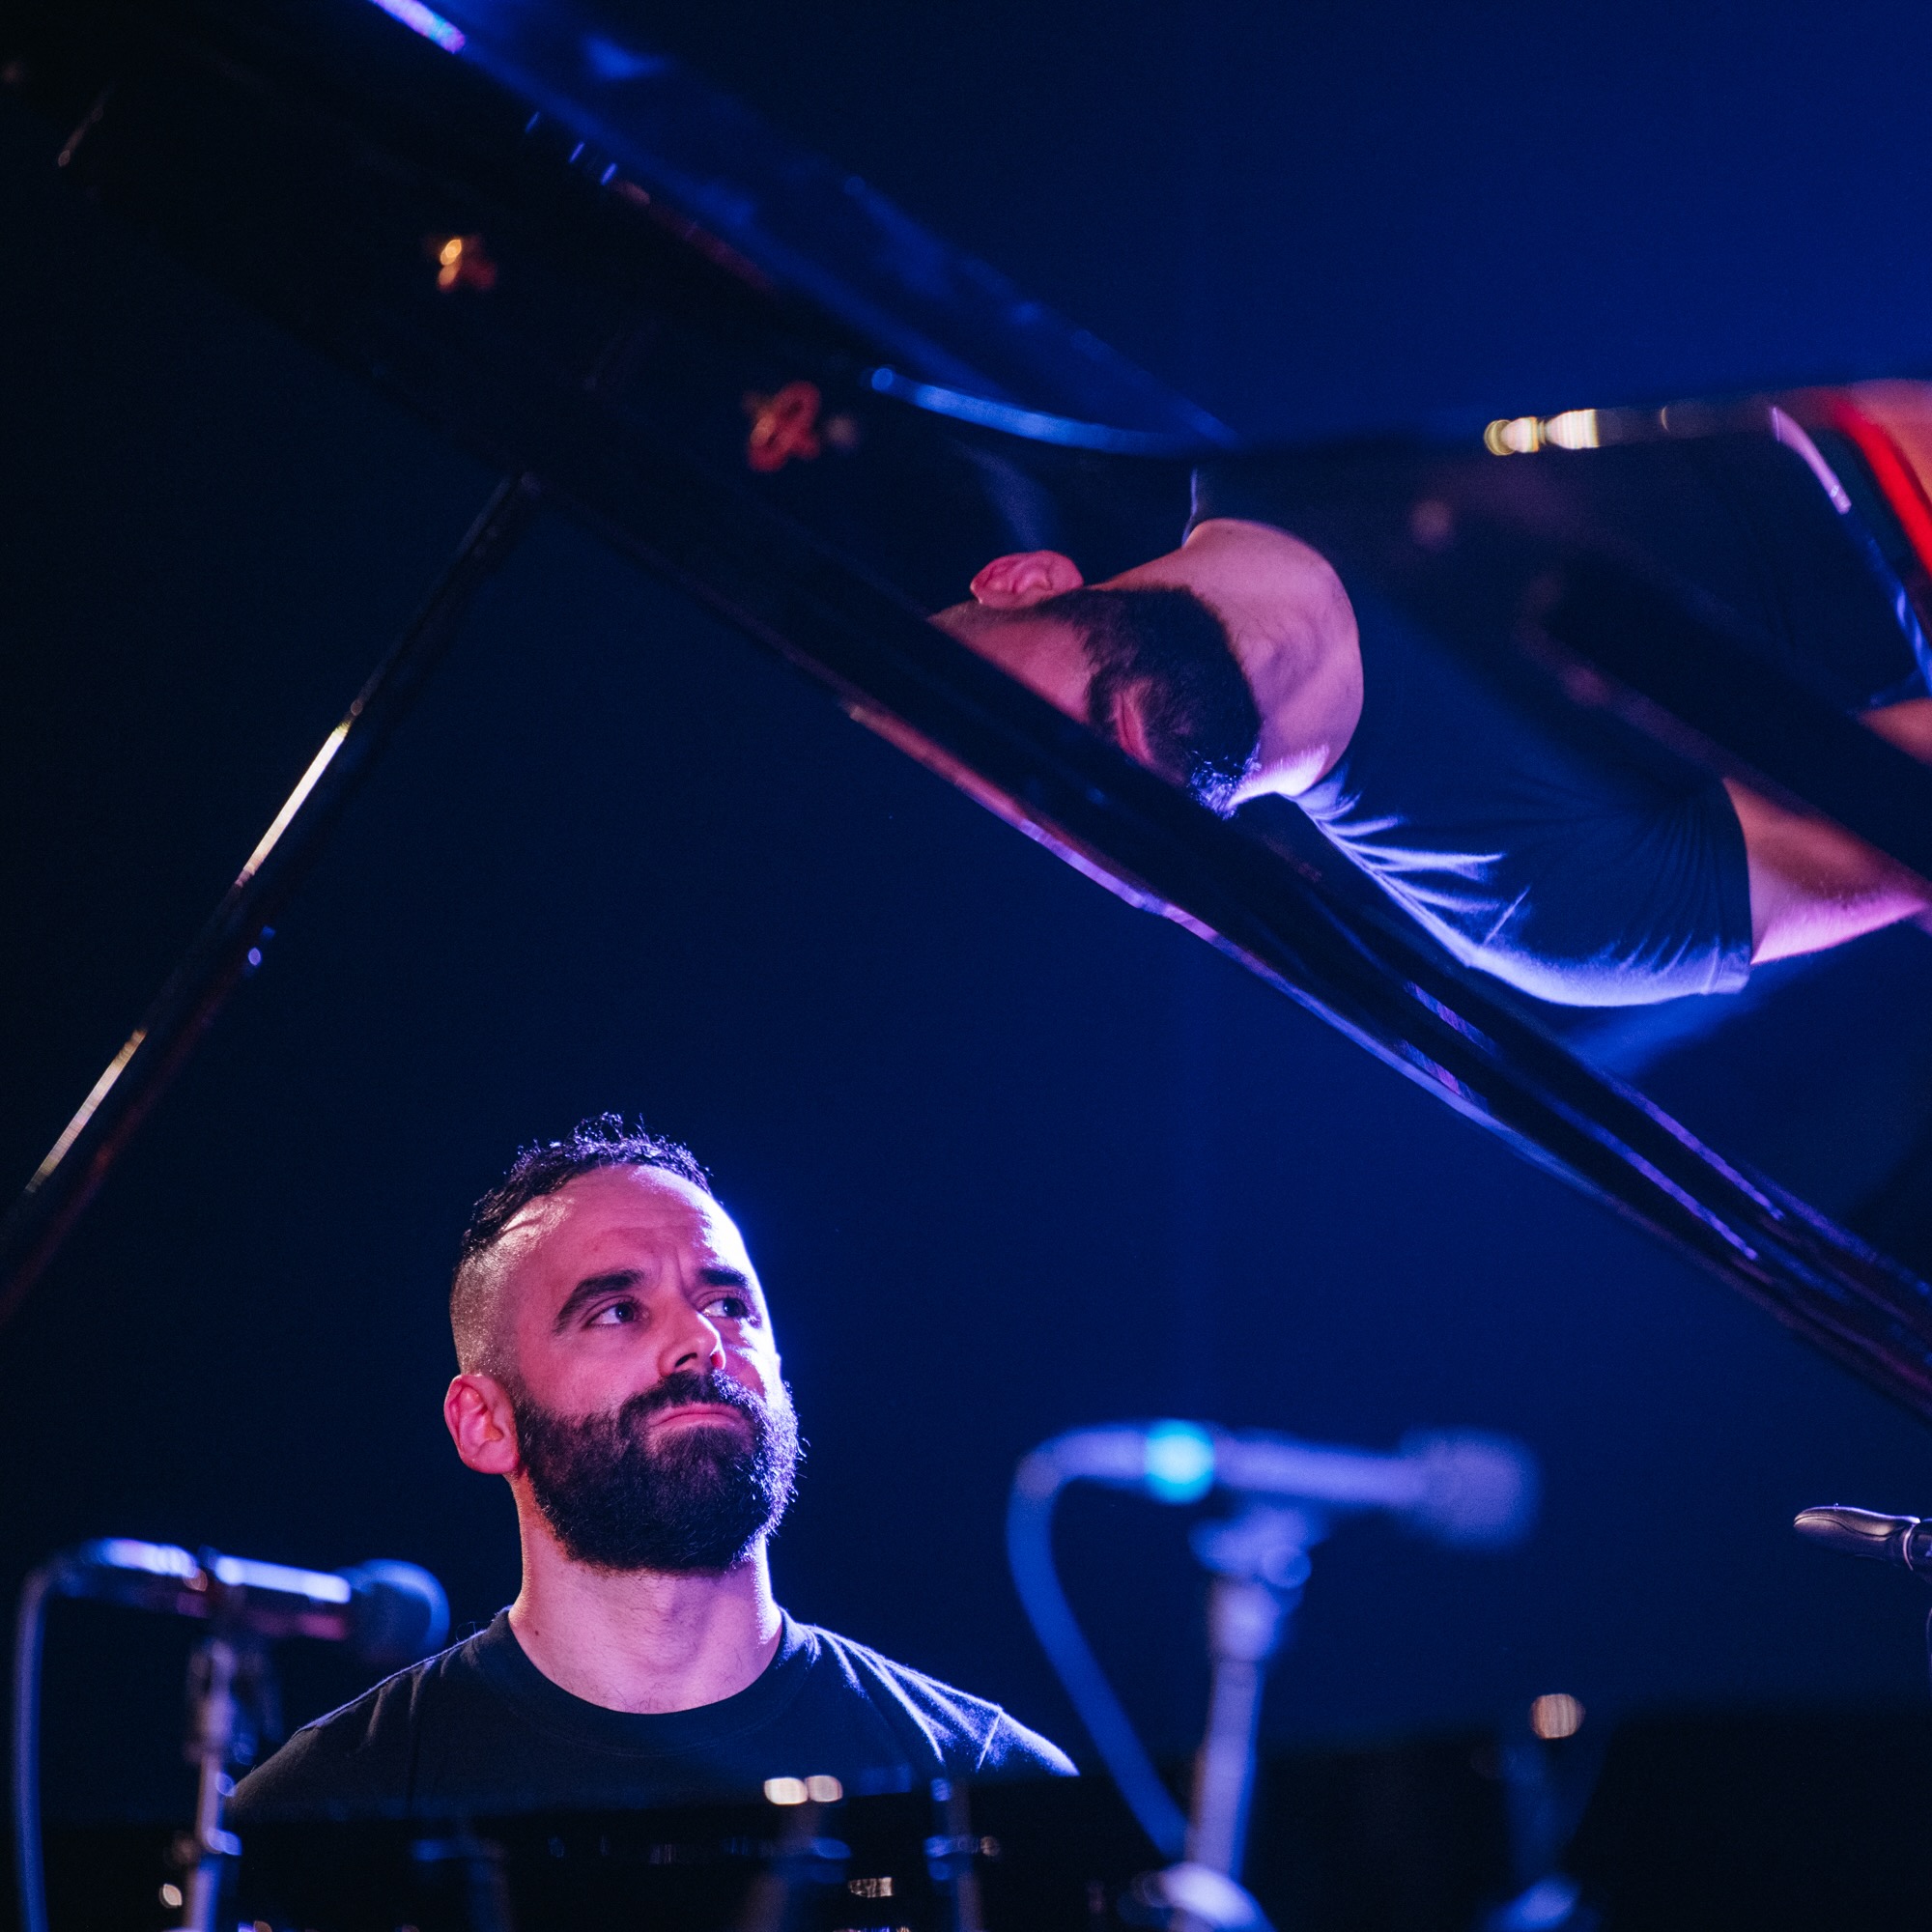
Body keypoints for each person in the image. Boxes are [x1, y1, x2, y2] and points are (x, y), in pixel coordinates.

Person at [930, 414, 1932, 1008]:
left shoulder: (1277, 395)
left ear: (1022, 580)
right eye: (1024, 814)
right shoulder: (1530, 903)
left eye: (991, 725)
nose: (1054, 783)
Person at [232, 1119, 1072, 1816]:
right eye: (618, 1311)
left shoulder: (988, 1784)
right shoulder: (324, 1814)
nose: (700, 1343)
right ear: (484, 1422)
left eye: (728, 1305)